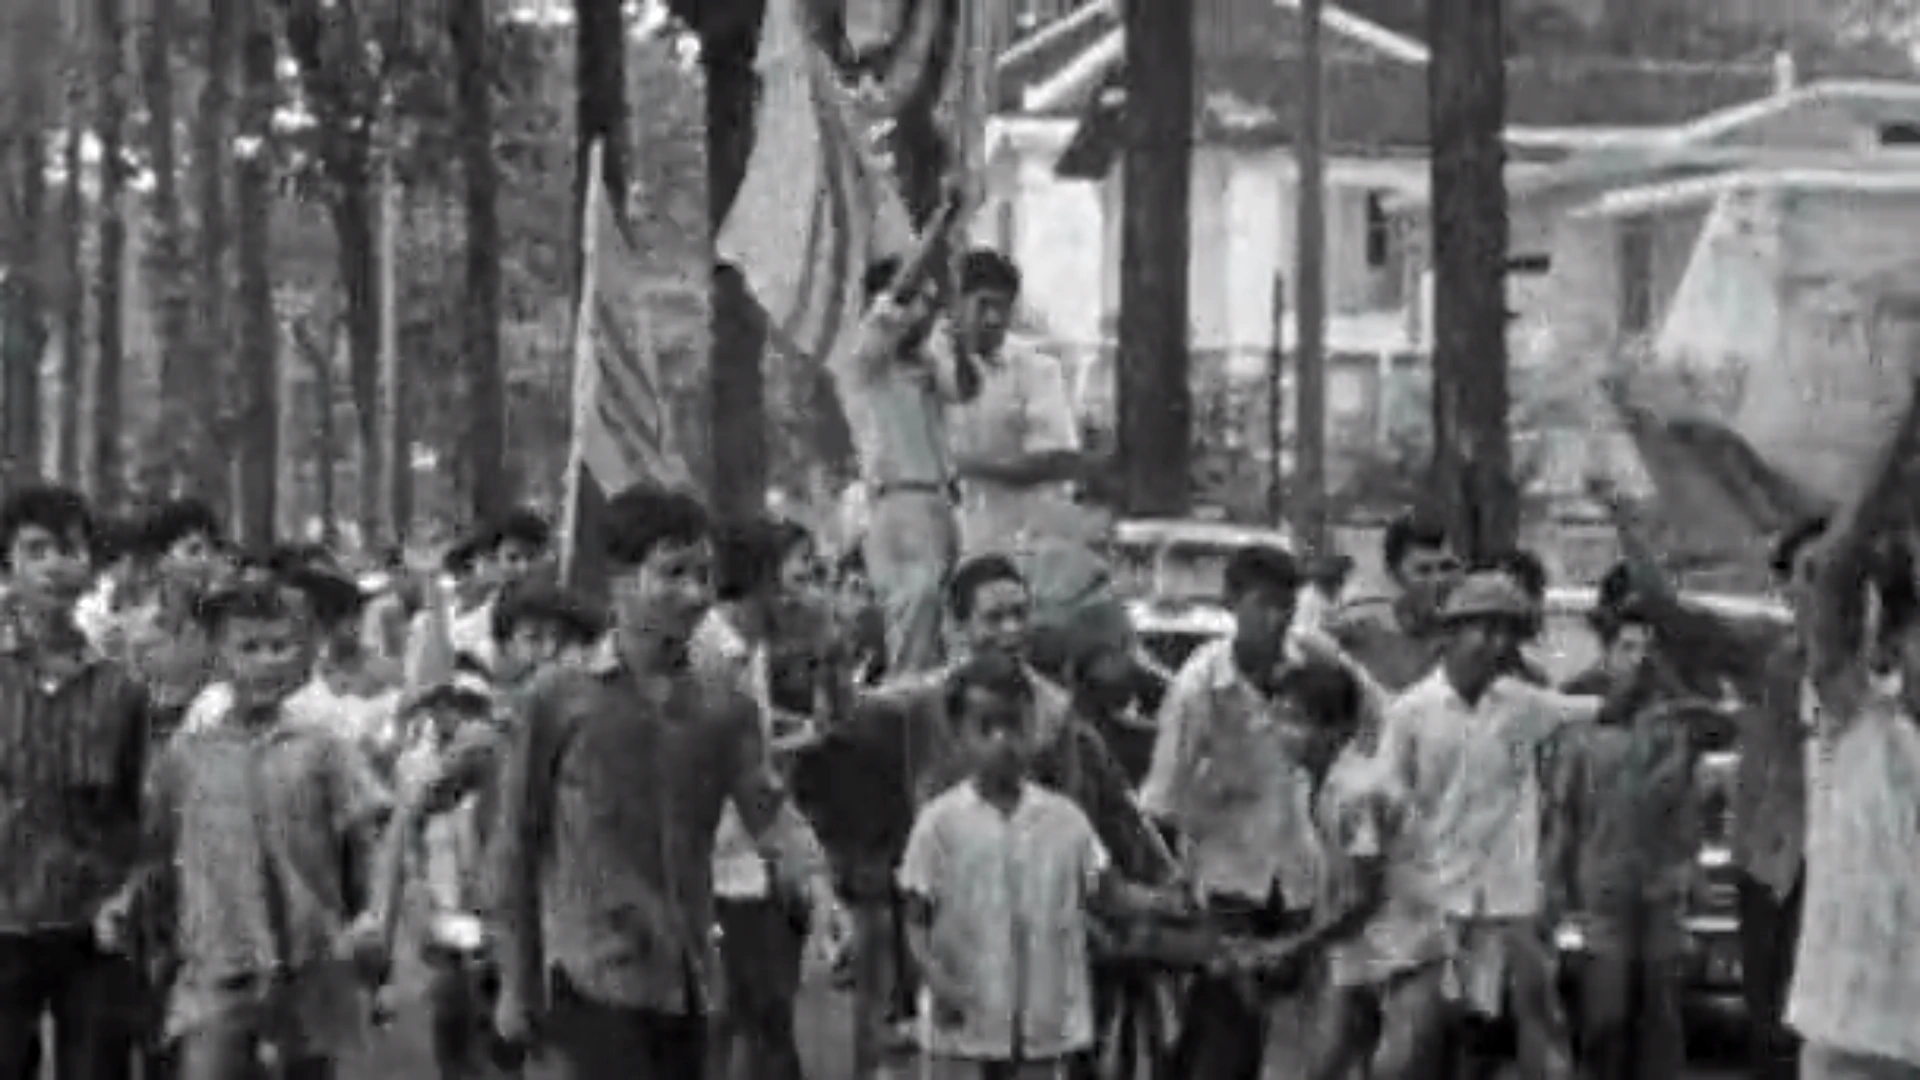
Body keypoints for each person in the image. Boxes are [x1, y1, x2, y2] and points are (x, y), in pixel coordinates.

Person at [485, 484, 851, 1079]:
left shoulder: (722, 705)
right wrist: (515, 982)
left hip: (687, 981)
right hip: (587, 981)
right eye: (673, 573)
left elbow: (768, 809)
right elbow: (514, 846)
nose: (695, 593)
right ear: (621, 581)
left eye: (704, 575)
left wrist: (817, 885)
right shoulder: (558, 699)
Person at [102, 576, 392, 1080]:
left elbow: (367, 838)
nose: (267, 661)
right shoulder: (188, 756)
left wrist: (372, 916)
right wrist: (126, 903)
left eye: (280, 647)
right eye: (250, 648)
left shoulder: (323, 747)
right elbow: (157, 851)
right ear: (219, 655)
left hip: (310, 958)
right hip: (217, 959)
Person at [1139, 545, 1375, 1080]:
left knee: (1299, 1037)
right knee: (1228, 1033)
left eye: (1286, 605)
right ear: (1232, 603)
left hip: (1303, 876)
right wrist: (1176, 893)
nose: (1276, 619)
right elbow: (1162, 800)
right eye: (1263, 604)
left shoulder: (1317, 659)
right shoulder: (1199, 687)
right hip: (1227, 881)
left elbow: (1376, 718)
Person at [897, 653, 1188, 1080]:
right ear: (958, 736)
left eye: (1014, 725)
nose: (1003, 741)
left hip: (1041, 1027)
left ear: (1033, 727)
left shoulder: (1066, 822)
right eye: (986, 728)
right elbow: (915, 919)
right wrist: (936, 980)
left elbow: (1109, 893)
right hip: (962, 1023)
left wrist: (1165, 903)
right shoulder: (938, 825)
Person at [1367, 572, 1611, 1080]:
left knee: (1541, 1038)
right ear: (1452, 634)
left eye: (1508, 633)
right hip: (1434, 902)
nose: (1498, 644)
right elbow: (1386, 808)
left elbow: (1599, 712)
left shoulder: (1524, 703)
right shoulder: (1411, 713)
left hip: (1509, 902)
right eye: (1485, 630)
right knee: (1408, 1049)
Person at [1787, 380, 1920, 1080]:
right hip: (1848, 1039)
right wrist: (1905, 428)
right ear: (1892, 647)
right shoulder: (1854, 718)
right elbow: (1837, 568)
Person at [0, 485, 153, 1080]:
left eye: (69, 550)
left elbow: (141, 809)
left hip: (94, 927)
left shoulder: (121, 689)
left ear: (91, 565)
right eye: (36, 550)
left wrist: (127, 895)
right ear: (8, 564)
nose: (54, 566)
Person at [1540, 585, 1699, 1080]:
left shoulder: (1676, 723)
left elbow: (1685, 808)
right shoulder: (1581, 724)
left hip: (1661, 892)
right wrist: (1552, 886)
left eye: (1647, 648)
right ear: (1607, 655)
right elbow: (1563, 811)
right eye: (1627, 647)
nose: (1639, 659)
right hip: (1602, 891)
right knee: (1605, 1019)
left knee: (1660, 1018)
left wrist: (1689, 870)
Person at [847, 249, 977, 675]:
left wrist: (960, 345)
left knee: (943, 627)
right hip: (898, 501)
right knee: (915, 612)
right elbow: (894, 301)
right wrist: (939, 225)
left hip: (940, 501)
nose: (926, 311)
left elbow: (965, 389)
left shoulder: (927, 361)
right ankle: (904, 703)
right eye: (918, 300)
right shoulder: (869, 357)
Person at [945, 249, 1086, 556]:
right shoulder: (929, 371)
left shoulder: (1037, 370)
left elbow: (1054, 460)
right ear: (957, 303)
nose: (994, 319)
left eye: (1003, 307)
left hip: (1022, 544)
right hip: (949, 540)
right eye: (984, 304)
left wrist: (963, 466)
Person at [1326, 512, 1463, 690]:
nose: (1439, 580)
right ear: (1395, 575)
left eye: (1447, 567)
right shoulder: (1369, 634)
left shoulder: (1478, 630)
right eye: (1424, 570)